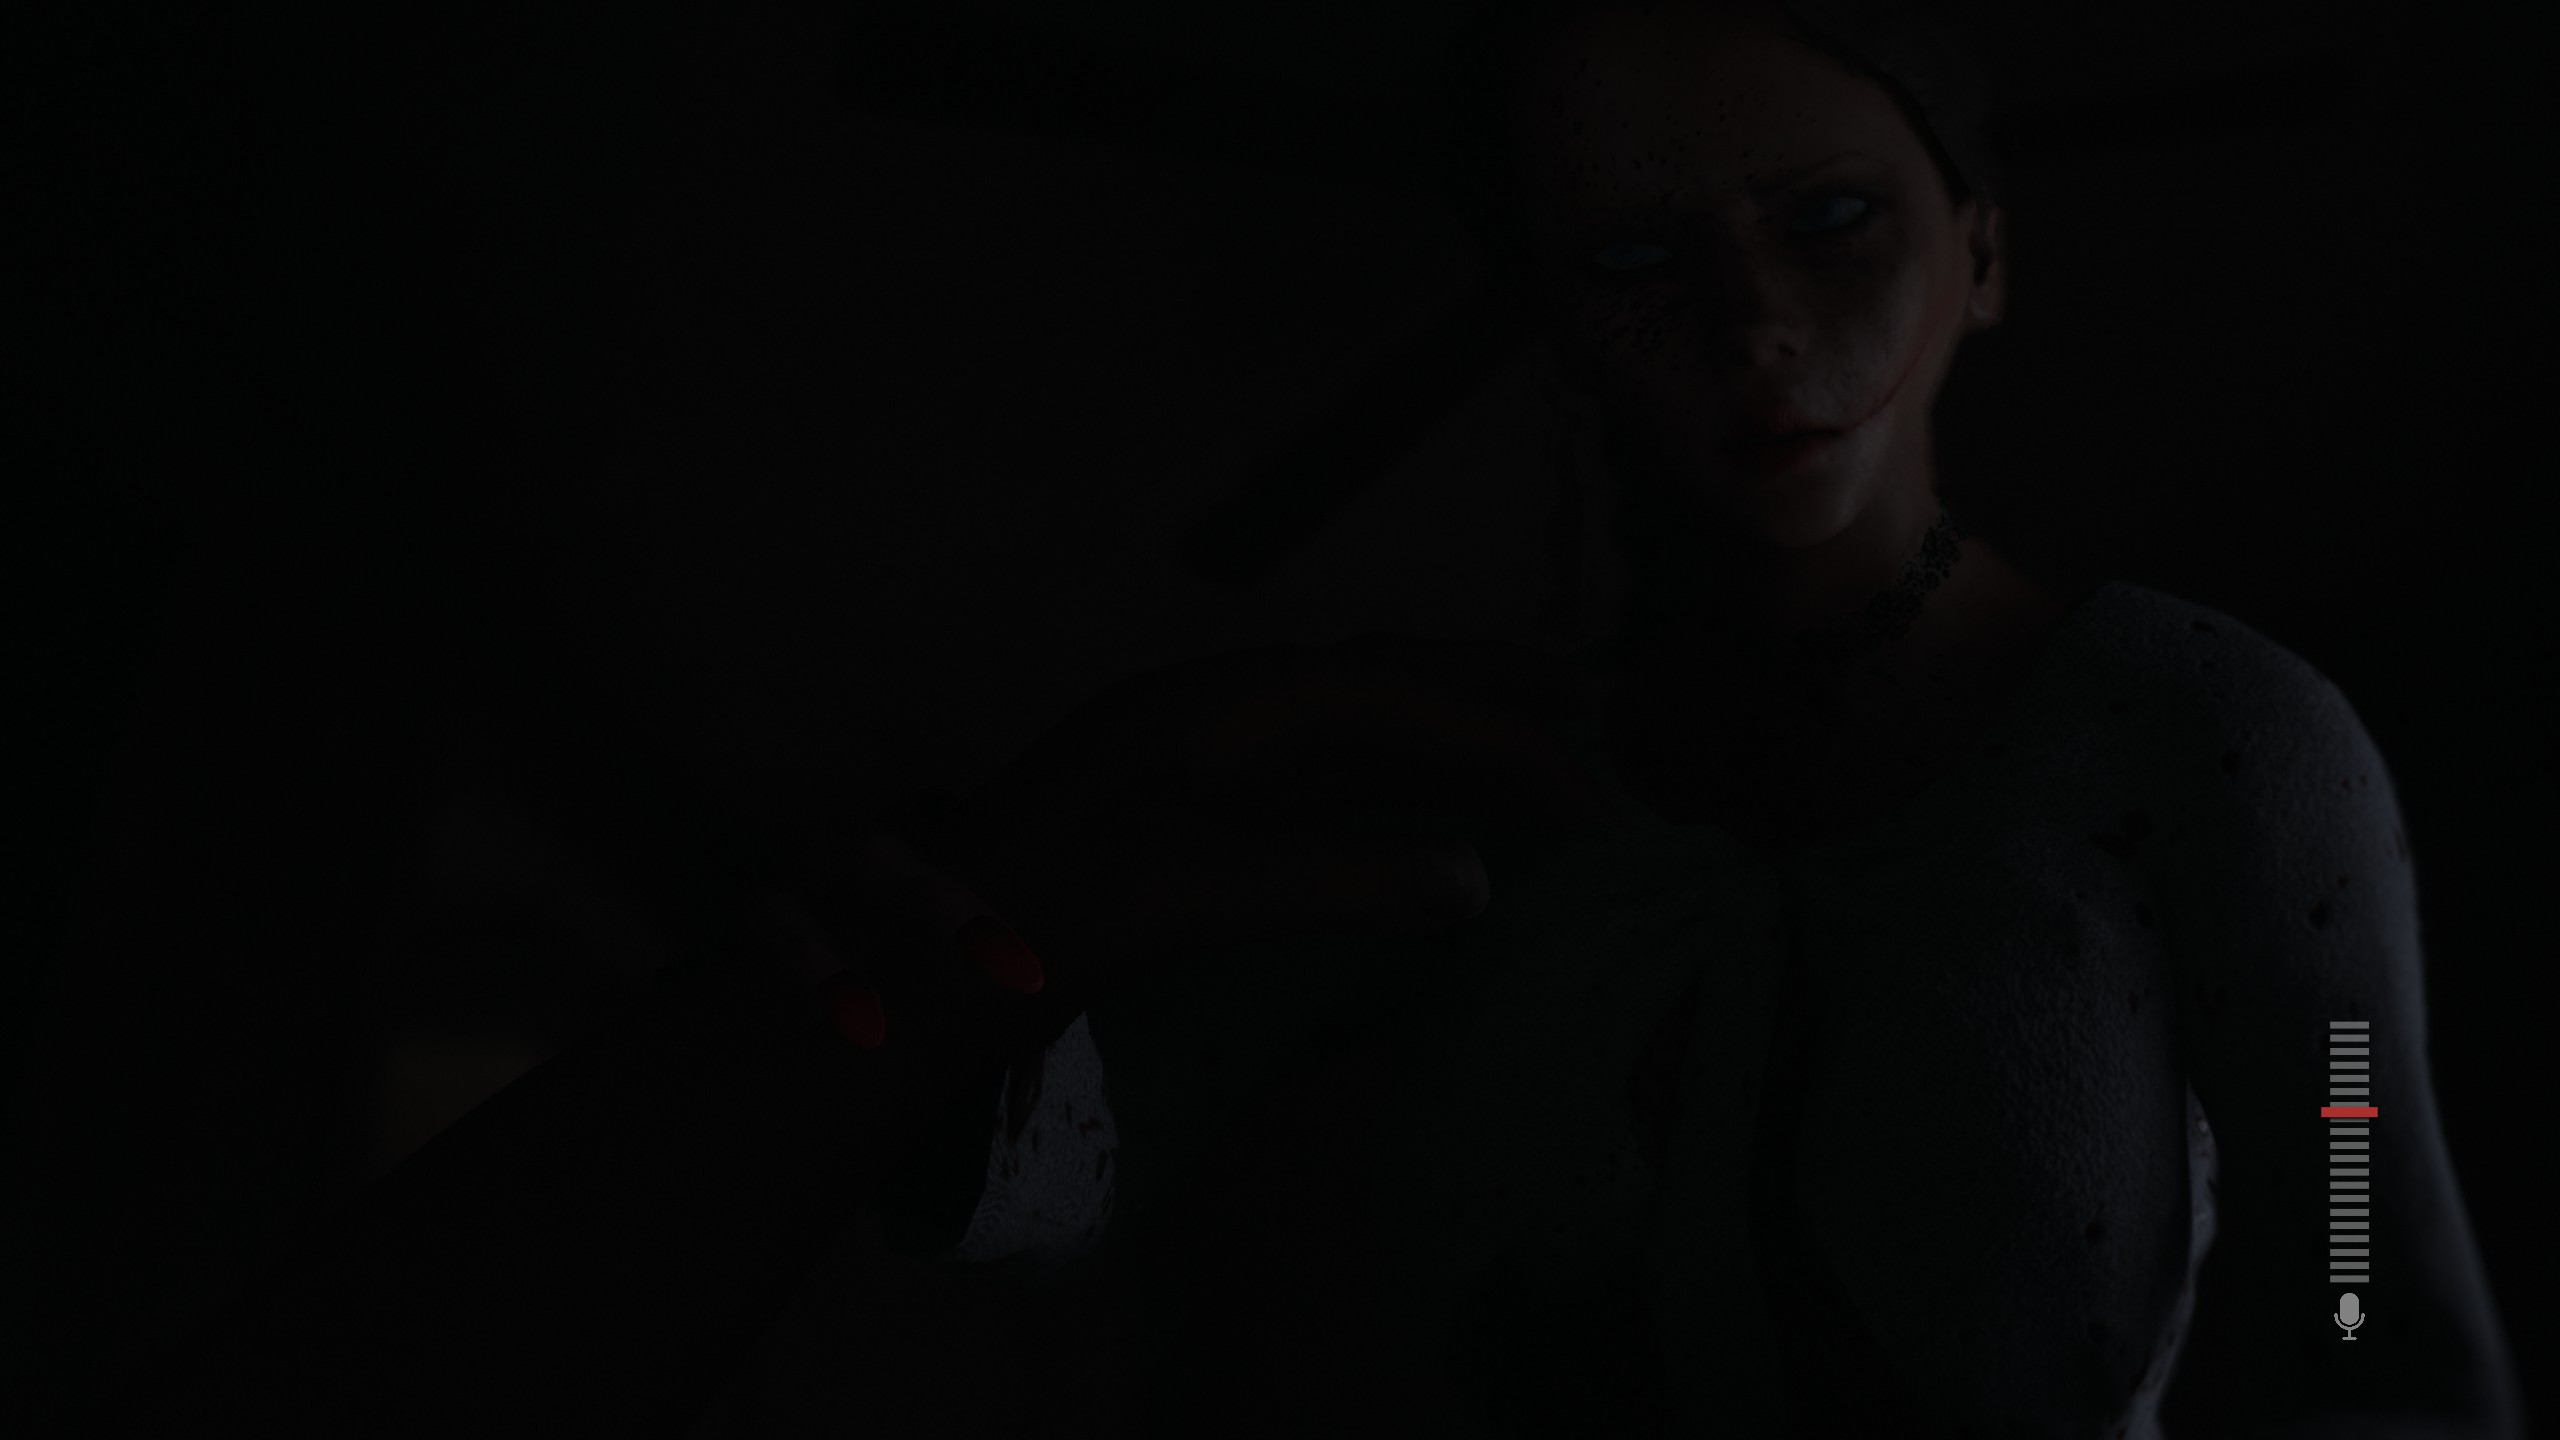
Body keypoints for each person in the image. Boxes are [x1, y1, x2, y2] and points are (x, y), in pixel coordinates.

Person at [92, 2, 2519, 1436]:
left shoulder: (2200, 745)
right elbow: (1091, 1161)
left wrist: (2330, 1362)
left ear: (1977, 248)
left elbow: (2340, 1210)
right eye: (1638, 257)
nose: (1753, 328)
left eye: (1831, 222)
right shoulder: (1449, 775)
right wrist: (955, 1012)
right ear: (1541, 320)